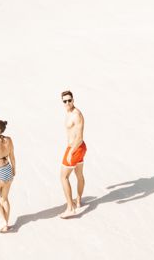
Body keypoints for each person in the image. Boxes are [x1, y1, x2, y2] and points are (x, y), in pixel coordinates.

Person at [59, 90, 86, 218]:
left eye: (69, 100)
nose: (67, 103)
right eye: (65, 101)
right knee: (79, 174)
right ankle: (78, 201)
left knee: (63, 177)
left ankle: (70, 208)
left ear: (73, 100)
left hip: (75, 148)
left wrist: (70, 152)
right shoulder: (68, 113)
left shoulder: (76, 115)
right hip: (79, 148)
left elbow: (79, 138)